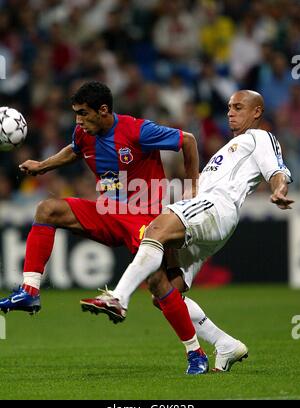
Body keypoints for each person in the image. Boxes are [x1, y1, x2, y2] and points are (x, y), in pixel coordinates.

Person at [80, 90, 293, 375]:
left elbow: (277, 170)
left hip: (216, 208)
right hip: (205, 213)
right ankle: (225, 344)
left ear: (257, 112)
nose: (230, 112)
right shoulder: (230, 148)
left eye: (238, 107)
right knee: (164, 292)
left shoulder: (260, 138)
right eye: (229, 107)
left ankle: (118, 297)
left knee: (155, 229)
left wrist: (279, 189)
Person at [0, 81, 200, 316]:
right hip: (109, 215)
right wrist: (43, 166)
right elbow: (75, 149)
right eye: (76, 114)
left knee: (163, 289)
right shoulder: (83, 132)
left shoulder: (138, 130)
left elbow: (187, 140)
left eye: (83, 113)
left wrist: (192, 186)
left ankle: (200, 348)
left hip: (145, 221)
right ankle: (30, 292)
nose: (78, 121)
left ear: (103, 110)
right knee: (47, 209)